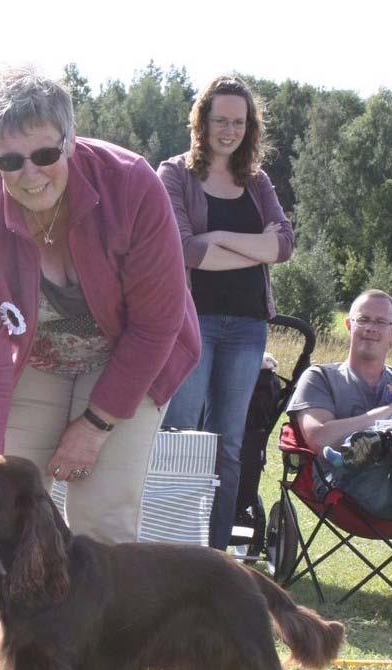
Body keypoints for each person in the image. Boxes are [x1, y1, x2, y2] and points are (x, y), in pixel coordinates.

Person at [0, 66, 201, 670]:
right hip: (31, 364)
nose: (29, 174)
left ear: (70, 138)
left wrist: (95, 424)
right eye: (9, 160)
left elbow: (155, 324)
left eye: (45, 154)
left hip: (130, 358)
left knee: (104, 522)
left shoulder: (132, 187)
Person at [158, 75, 294, 550]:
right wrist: (255, 248)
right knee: (182, 436)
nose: (229, 130)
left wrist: (219, 240)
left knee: (230, 446)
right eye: (221, 120)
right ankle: (173, 545)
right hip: (193, 325)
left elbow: (284, 245)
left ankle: (214, 554)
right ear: (202, 121)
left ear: (249, 126)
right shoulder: (173, 175)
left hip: (248, 327)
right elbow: (183, 250)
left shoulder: (256, 183)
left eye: (239, 121)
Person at [287, 289, 392, 626]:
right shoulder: (321, 377)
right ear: (349, 325)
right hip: (350, 485)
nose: (371, 328)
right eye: (364, 319)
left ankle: (391, 439)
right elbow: (320, 436)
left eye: (381, 322)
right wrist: (391, 410)